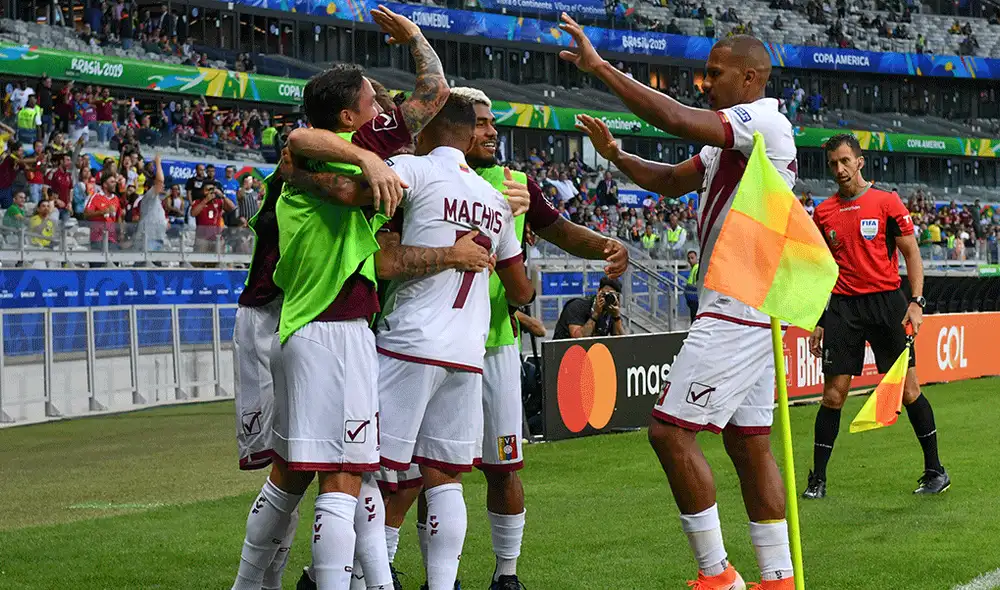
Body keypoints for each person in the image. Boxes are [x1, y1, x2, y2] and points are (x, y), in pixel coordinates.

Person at [562, 16, 796, 588]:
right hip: (752, 305)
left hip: (739, 301)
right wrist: (616, 155)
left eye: (715, 74)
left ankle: (717, 574)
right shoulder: (733, 141)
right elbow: (670, 180)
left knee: (669, 431)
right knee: (749, 444)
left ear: (750, 78)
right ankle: (777, 576)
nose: (704, 82)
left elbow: (673, 117)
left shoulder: (764, 119)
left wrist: (599, 68)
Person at [228, 7, 455, 590]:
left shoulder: (325, 154)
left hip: (308, 325)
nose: (385, 110)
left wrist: (413, 40)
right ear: (350, 115)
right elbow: (303, 137)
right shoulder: (325, 150)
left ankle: (261, 584)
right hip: (316, 324)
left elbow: (429, 94)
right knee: (343, 474)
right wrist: (368, 156)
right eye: (373, 103)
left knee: (298, 472)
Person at [373, 95, 535, 590]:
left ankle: (370, 579)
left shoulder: (412, 170)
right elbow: (521, 289)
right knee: (444, 477)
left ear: (428, 128)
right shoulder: (496, 202)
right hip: (468, 353)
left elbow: (381, 262)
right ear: (468, 135)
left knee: (372, 473)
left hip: (410, 342)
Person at [805, 134, 949, 498]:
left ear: (860, 161)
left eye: (844, 161)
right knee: (833, 396)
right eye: (833, 164)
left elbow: (912, 255)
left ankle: (935, 472)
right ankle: (817, 481)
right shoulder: (822, 213)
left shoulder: (886, 202)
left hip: (887, 304)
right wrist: (821, 319)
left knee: (908, 389)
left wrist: (916, 301)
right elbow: (824, 271)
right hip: (843, 307)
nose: (839, 169)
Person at [552, 276, 627, 339]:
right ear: (598, 291)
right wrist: (595, 314)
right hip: (565, 353)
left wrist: (616, 318)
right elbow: (578, 339)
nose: (608, 299)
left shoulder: (611, 311)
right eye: (606, 294)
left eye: (612, 295)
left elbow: (621, 342)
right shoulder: (577, 306)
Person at [136, 154, 166, 253]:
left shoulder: (156, 199)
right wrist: (158, 163)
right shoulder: (149, 196)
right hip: (149, 239)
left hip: (156, 237)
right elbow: (160, 181)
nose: (163, 187)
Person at [685, 250, 699, 323]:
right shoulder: (693, 269)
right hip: (692, 300)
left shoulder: (697, 269)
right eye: (689, 258)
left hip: (695, 300)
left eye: (692, 258)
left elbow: (697, 284)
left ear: (697, 258)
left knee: (694, 320)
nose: (690, 260)